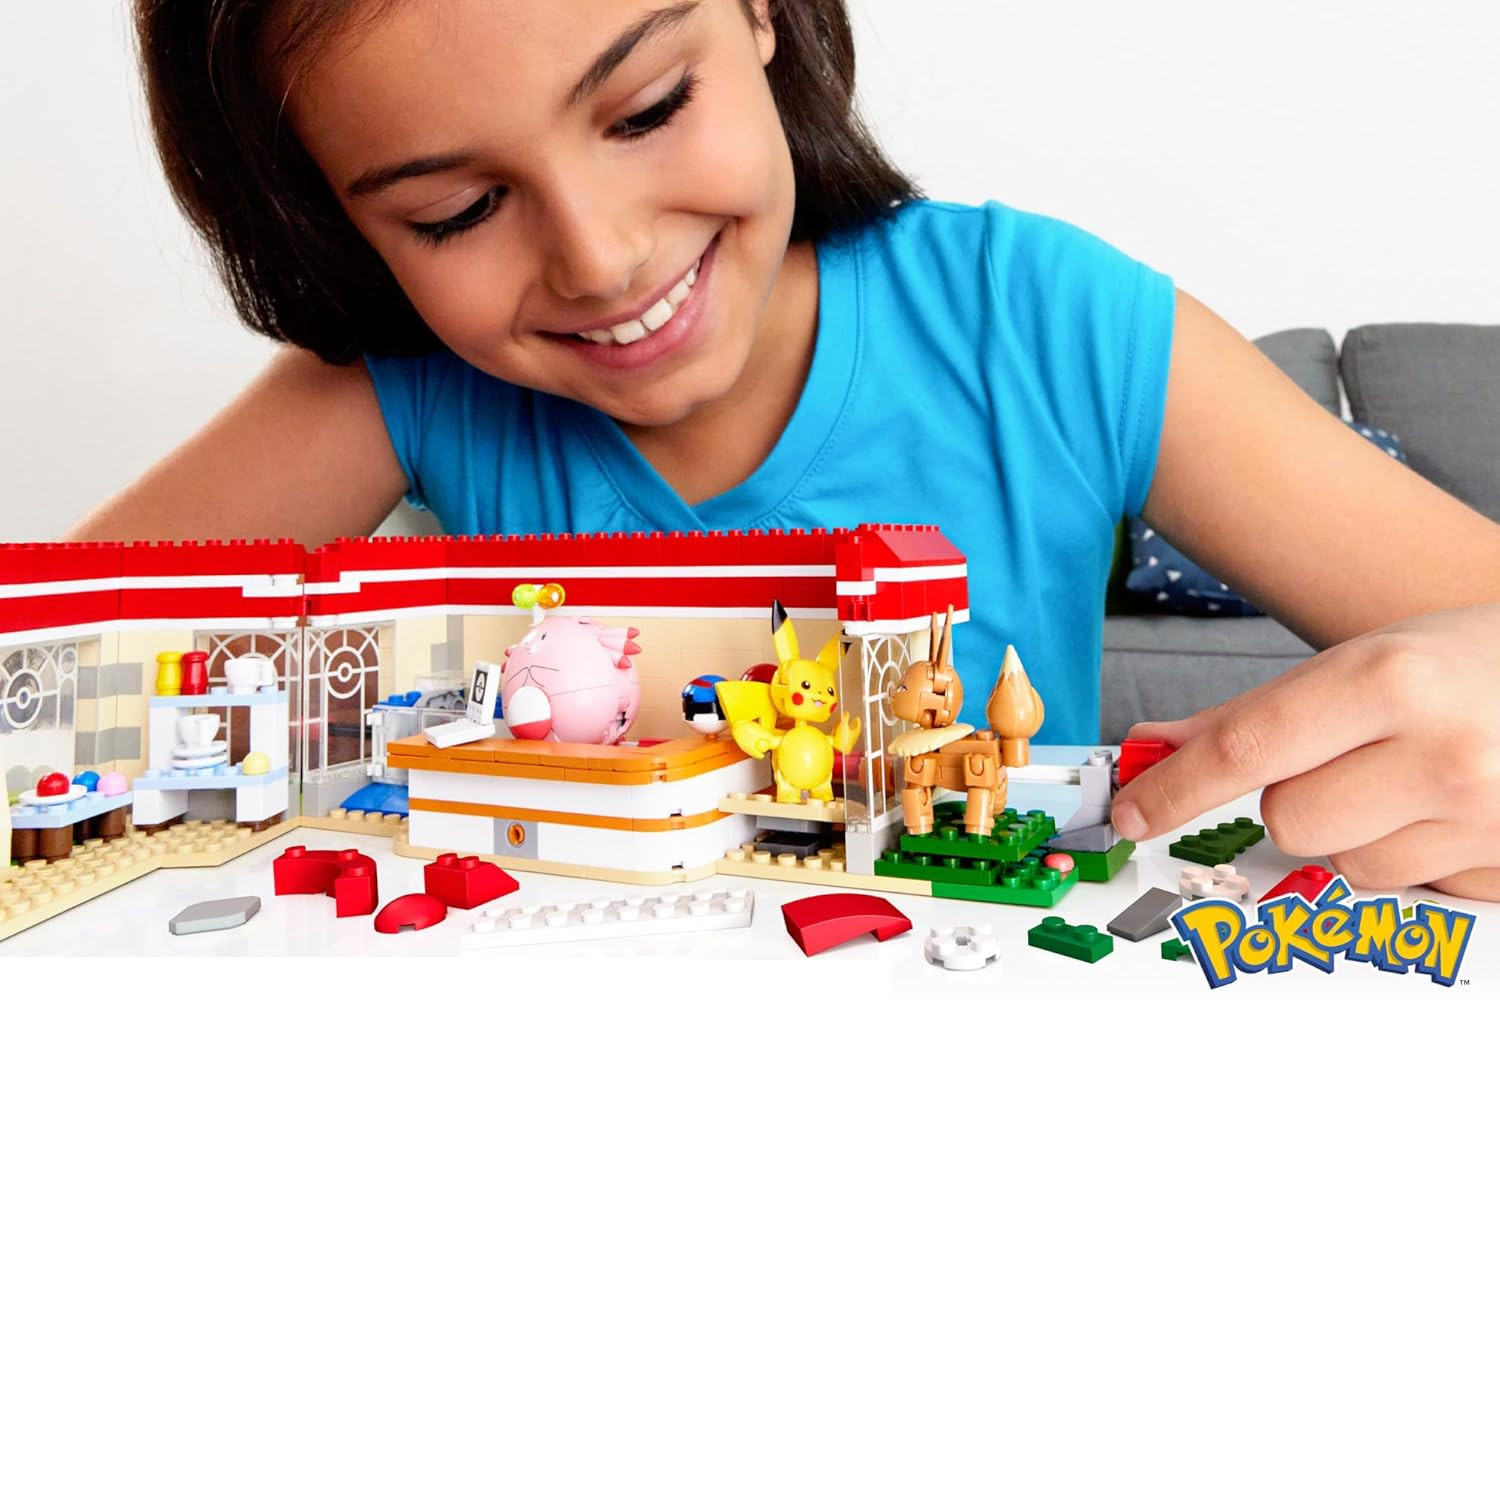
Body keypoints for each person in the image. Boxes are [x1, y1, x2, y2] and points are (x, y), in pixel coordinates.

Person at [66, 0, 1500, 901]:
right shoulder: (407, 381)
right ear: (337, 226)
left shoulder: (1043, 323)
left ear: (760, 12)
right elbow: (60, 659)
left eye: (647, 109)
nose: (602, 259)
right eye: (454, 213)